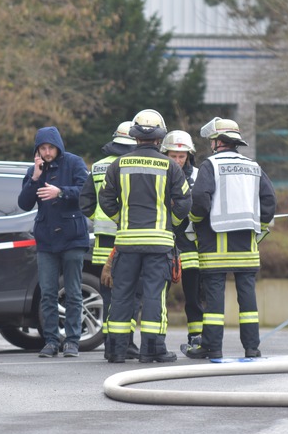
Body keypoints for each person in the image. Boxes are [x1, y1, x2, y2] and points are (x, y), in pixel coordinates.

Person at [98, 109, 191, 363]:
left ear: (135, 136)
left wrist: (122, 221)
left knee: (122, 293)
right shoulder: (170, 166)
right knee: (153, 294)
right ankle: (152, 349)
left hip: (127, 242)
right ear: (159, 138)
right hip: (159, 243)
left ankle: (115, 350)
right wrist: (170, 224)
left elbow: (105, 199)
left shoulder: (119, 164)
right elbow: (184, 202)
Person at [182, 117, 276, 360]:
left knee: (214, 300)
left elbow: (201, 199)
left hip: (215, 246)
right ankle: (252, 347)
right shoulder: (253, 166)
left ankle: (212, 347)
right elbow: (269, 201)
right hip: (246, 246)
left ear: (217, 142)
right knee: (248, 302)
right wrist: (260, 227)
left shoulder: (210, 166)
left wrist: (193, 218)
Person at [17, 126, 89, 358]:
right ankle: (49, 341)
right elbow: (24, 203)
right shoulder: (34, 170)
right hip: (46, 239)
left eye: (51, 148)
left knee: (73, 291)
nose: (47, 153)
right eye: (43, 148)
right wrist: (35, 179)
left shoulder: (75, 163)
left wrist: (61, 192)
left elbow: (86, 192)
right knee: (47, 292)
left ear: (58, 147)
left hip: (73, 237)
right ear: (37, 150)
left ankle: (72, 341)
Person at [79, 121, 141, 360]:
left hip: (104, 242)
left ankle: (110, 345)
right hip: (130, 238)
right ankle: (127, 343)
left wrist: (100, 219)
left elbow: (85, 203)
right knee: (131, 293)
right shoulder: (131, 165)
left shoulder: (97, 167)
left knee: (108, 294)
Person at [159, 129, 203, 348]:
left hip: (190, 245)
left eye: (182, 156)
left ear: (189, 156)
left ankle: (196, 337)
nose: (177, 160)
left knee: (194, 296)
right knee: (159, 295)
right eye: (173, 156)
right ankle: (157, 340)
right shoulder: (158, 172)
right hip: (163, 242)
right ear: (164, 154)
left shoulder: (197, 175)